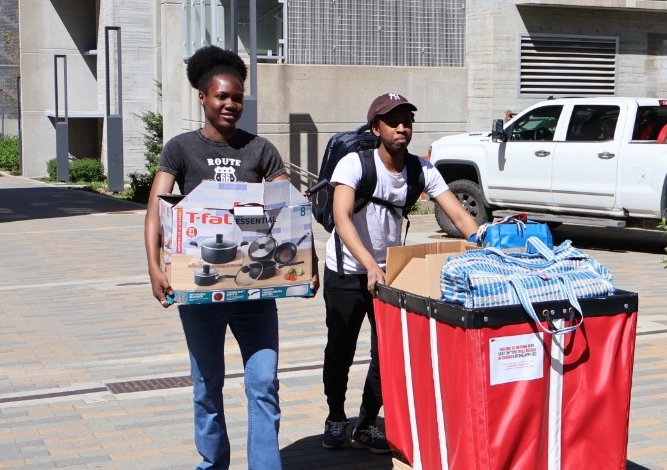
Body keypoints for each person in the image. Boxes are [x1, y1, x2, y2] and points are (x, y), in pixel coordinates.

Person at [143, 45, 319, 470]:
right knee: (207, 386)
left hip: (255, 293)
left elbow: (290, 210)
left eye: (237, 97)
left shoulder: (261, 150)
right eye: (222, 96)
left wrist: (307, 267)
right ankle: (213, 464)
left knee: (263, 384)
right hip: (200, 290)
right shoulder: (181, 149)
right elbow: (156, 212)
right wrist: (153, 267)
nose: (230, 104)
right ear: (202, 98)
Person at [320, 93, 480, 453]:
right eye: (393, 121)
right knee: (341, 350)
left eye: (407, 120)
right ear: (376, 128)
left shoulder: (420, 169)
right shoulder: (354, 164)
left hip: (391, 275)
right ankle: (334, 416)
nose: (402, 127)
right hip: (346, 271)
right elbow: (342, 220)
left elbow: (457, 214)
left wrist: (484, 240)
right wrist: (369, 264)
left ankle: (366, 421)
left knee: (388, 354)